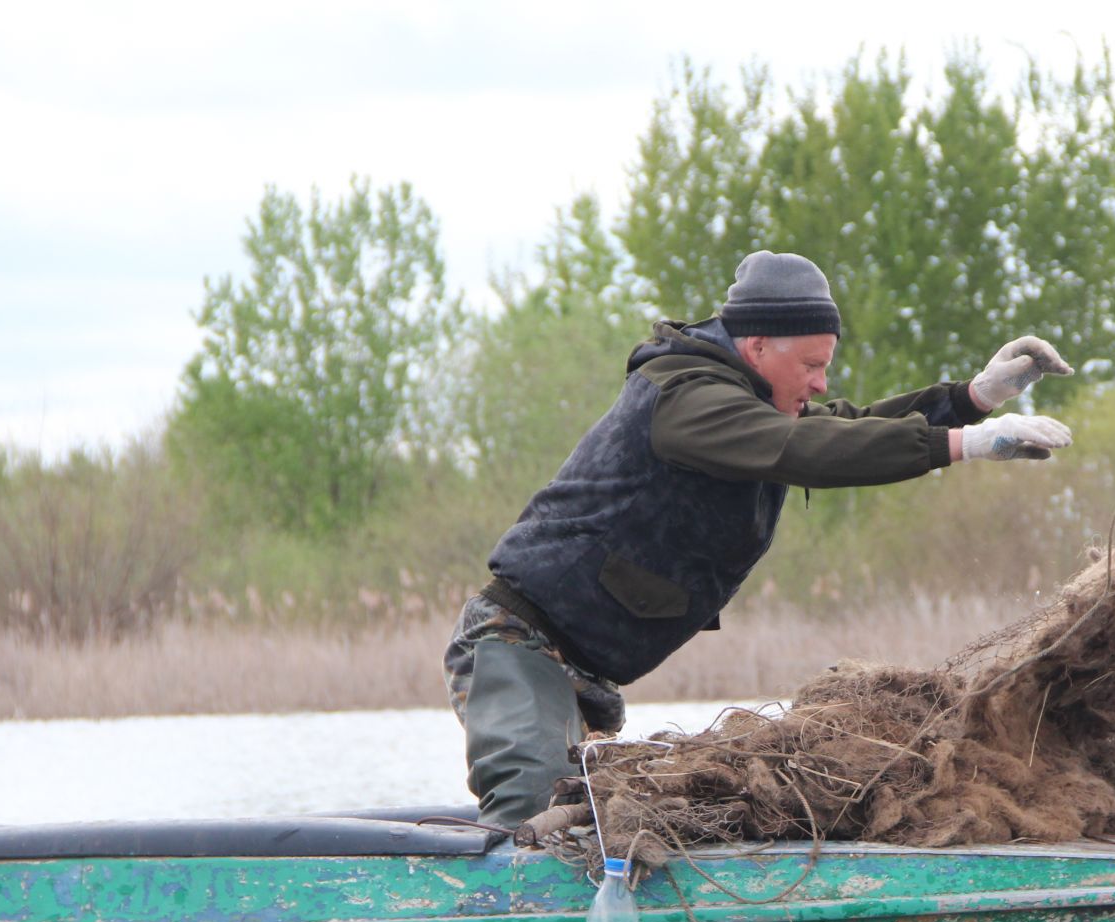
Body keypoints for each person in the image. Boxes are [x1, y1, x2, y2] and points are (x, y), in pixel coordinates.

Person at [444, 250, 1075, 829]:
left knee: (589, 832)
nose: (821, 384)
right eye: (810, 366)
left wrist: (973, 399)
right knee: (528, 831)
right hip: (518, 648)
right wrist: (965, 446)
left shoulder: (752, 403)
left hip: (585, 673)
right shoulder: (686, 401)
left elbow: (842, 428)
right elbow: (806, 447)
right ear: (755, 347)